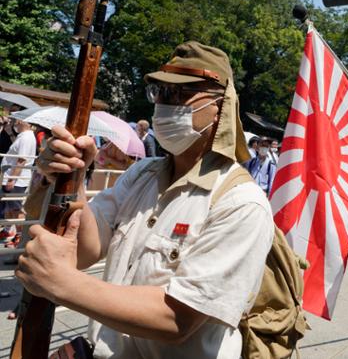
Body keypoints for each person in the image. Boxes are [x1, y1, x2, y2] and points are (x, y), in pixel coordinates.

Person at [15, 41, 274, 358]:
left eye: (181, 94)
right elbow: (84, 249)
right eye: (161, 93)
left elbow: (177, 319)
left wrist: (63, 285)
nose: (165, 105)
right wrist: (68, 177)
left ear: (220, 108)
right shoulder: (142, 174)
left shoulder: (240, 202)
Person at [0, 117, 37, 246]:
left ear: (22, 122)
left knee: (16, 209)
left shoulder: (26, 137)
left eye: (16, 120)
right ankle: (10, 232)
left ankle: (21, 237)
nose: (14, 122)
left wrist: (12, 179)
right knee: (10, 208)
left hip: (17, 180)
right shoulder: (23, 136)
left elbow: (21, 160)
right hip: (12, 178)